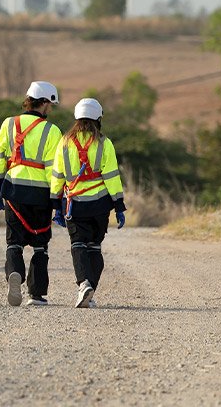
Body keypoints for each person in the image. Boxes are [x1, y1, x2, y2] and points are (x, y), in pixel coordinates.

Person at [0, 81, 63, 307]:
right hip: (41, 194)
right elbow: (55, 169)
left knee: (14, 241)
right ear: (43, 103)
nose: (50, 109)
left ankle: (15, 273)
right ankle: (37, 294)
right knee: (41, 245)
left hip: (13, 190)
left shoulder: (8, 124)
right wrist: (57, 200)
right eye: (50, 104)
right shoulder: (52, 131)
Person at [50, 97, 126, 308]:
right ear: (98, 118)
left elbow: (57, 175)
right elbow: (112, 177)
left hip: (75, 204)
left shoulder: (64, 142)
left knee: (78, 245)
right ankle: (89, 287)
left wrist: (56, 205)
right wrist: (119, 205)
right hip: (100, 205)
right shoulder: (105, 143)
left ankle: (84, 284)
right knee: (94, 247)